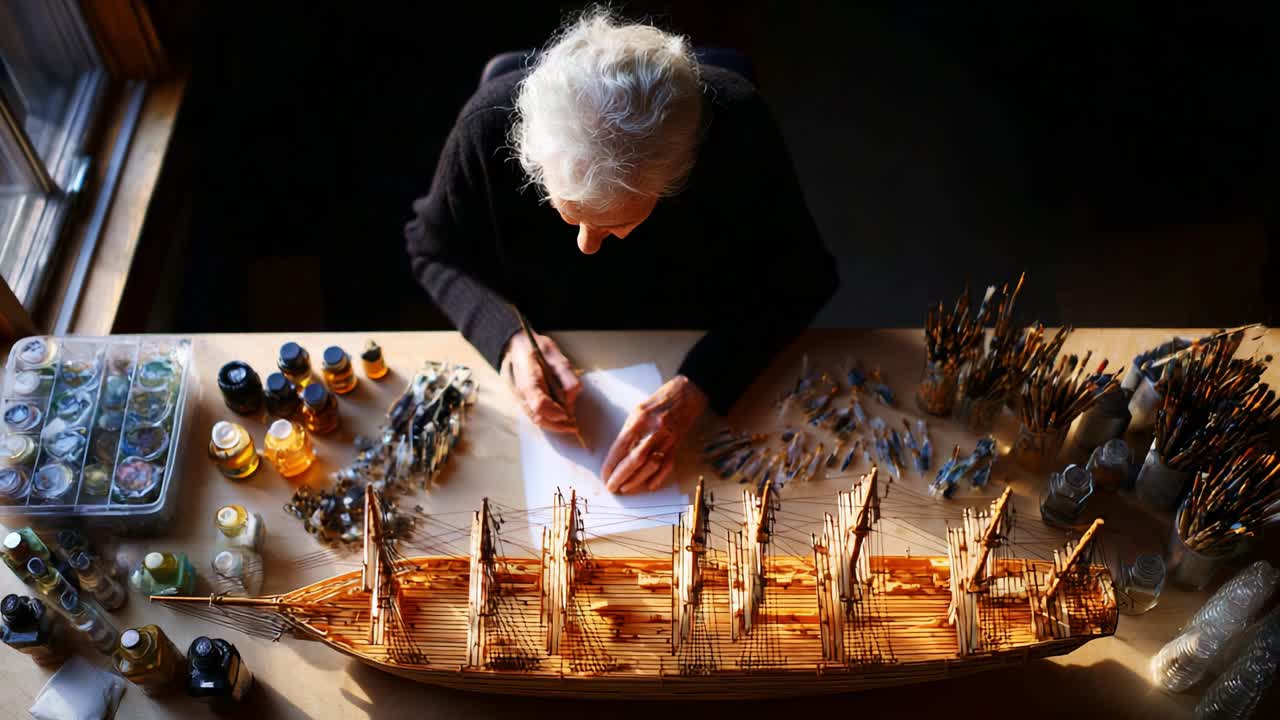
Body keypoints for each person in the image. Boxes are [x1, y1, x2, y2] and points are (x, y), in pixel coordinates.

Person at [405, 9, 837, 494]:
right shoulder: (486, 129)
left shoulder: (740, 132)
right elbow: (431, 250)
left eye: (615, 224)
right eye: (564, 212)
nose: (586, 247)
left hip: (693, 329)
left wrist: (702, 382)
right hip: (554, 337)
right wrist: (508, 338)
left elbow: (806, 275)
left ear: (675, 179)